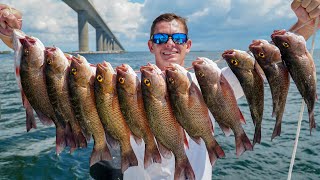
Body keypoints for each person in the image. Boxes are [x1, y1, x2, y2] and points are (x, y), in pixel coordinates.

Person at [0, 0, 319, 179]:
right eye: (162, 38)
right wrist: (11, 33)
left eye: (178, 39)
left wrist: (306, 22)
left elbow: (268, 62)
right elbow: (50, 72)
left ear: (188, 46)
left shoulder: (207, 83)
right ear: (150, 45)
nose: (170, 44)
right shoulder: (123, 83)